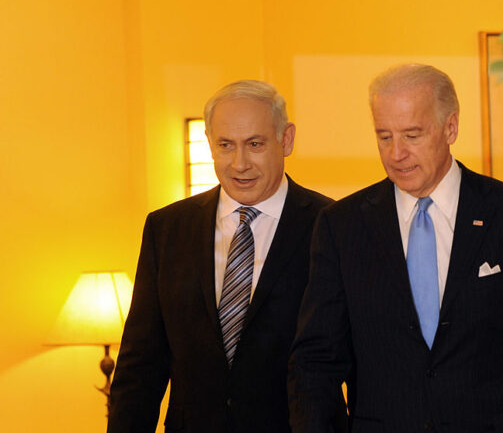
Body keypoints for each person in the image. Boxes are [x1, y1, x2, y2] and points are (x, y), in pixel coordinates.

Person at [288, 65, 503, 432]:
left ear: (451, 128)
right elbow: (317, 360)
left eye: (412, 135)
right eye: (384, 137)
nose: (396, 153)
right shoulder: (341, 226)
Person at [108, 80, 346, 433]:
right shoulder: (167, 228)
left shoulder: (334, 228)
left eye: (254, 144)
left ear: (287, 140)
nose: (239, 163)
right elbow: (140, 365)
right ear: (210, 145)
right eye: (225, 145)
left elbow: (360, 362)